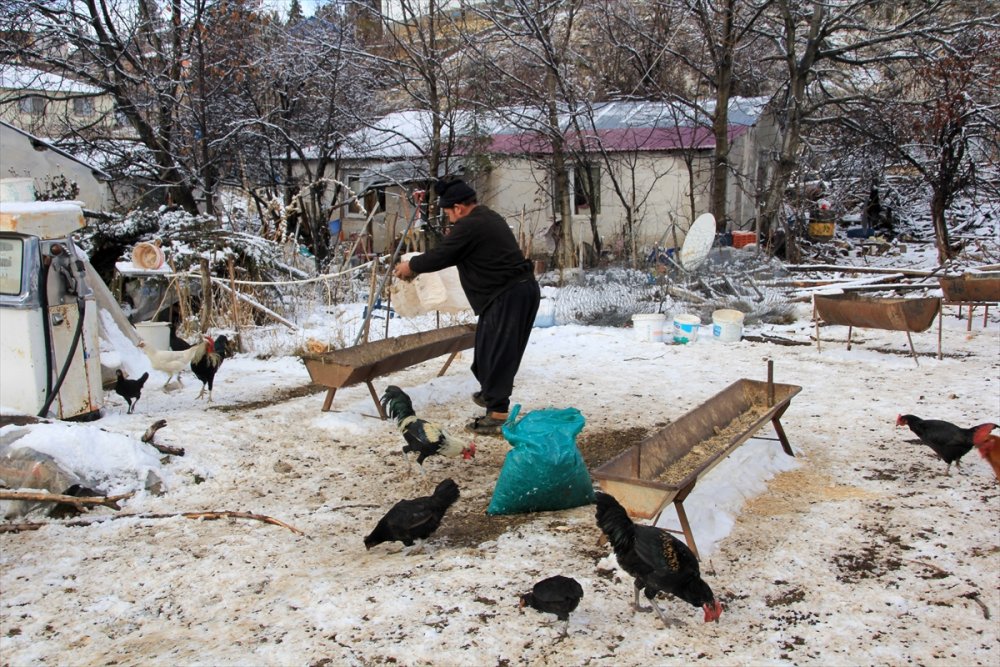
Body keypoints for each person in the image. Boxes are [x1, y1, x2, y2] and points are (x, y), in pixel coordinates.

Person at [394, 177, 540, 435]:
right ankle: (491, 396)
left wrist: (410, 266)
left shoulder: (472, 225)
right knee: (486, 355)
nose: (449, 218)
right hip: (509, 293)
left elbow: (442, 255)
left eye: (449, 212)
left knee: (498, 355)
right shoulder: (485, 217)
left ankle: (497, 413)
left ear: (459, 207)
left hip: (509, 294)